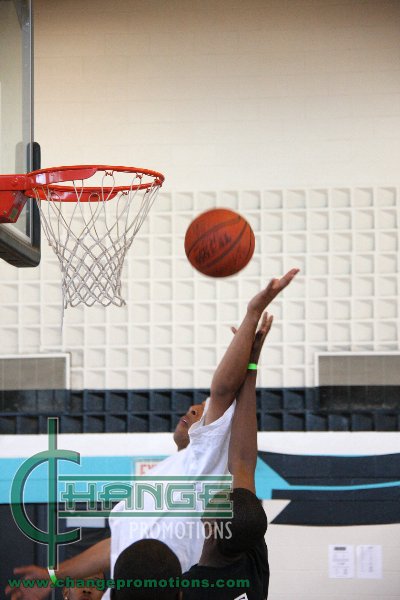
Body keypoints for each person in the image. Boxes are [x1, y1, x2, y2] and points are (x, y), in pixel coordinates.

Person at [7, 270, 298, 600]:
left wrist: (251, 317)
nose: (192, 412)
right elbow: (120, 544)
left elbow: (222, 392)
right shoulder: (221, 529)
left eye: (201, 413)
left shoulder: (206, 467)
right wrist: (54, 576)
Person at [182, 311, 272, 599]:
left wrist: (252, 363)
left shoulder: (184, 592)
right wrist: (251, 366)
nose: (222, 491)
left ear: (212, 528)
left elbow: (243, 467)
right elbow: (243, 464)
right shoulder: (248, 558)